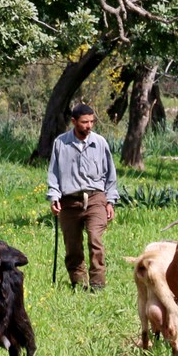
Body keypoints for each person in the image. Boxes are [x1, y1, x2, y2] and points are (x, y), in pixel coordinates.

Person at [46, 103, 118, 291]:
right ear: (74, 121)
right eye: (84, 122)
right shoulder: (60, 143)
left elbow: (110, 174)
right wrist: (54, 197)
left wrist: (110, 201)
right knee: (73, 245)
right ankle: (78, 283)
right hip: (69, 201)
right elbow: (53, 173)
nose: (89, 126)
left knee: (96, 240)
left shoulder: (100, 143)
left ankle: (97, 284)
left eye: (92, 121)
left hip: (95, 199)